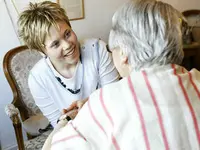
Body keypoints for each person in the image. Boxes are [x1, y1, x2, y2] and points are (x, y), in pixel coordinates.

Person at [45, 0, 200, 149]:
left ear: (124, 52)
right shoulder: (196, 79)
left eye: (112, 50)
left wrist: (66, 120)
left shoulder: (106, 101)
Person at [18, 1, 119, 127]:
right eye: (55, 44)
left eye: (67, 34)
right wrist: (67, 119)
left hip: (111, 123)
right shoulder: (37, 79)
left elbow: (115, 98)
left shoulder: (98, 49)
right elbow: (59, 124)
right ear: (41, 51)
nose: (67, 45)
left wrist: (89, 105)